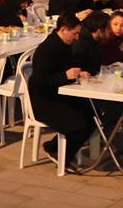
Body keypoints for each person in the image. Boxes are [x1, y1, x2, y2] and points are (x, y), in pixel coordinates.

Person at [26, 13, 92, 168]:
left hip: (58, 94)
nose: (76, 38)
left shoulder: (64, 45)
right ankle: (62, 156)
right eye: (74, 33)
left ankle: (54, 147)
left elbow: (65, 68)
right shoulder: (47, 49)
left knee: (91, 114)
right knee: (79, 124)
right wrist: (65, 76)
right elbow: (41, 81)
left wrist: (77, 73)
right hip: (42, 100)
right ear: (63, 30)